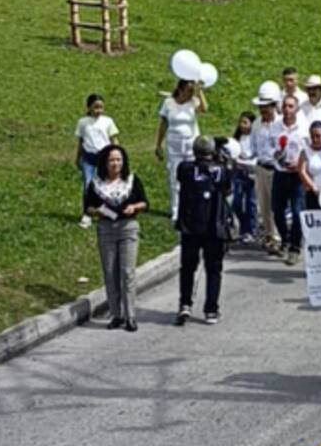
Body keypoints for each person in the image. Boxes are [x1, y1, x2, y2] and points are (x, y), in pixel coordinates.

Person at [84, 144, 148, 332]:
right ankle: (116, 314)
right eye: (112, 160)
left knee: (127, 272)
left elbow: (145, 202)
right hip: (106, 229)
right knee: (110, 273)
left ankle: (130, 316)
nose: (115, 164)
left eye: (118, 160)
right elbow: (87, 207)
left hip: (128, 227)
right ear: (105, 162)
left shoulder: (132, 180)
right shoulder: (96, 183)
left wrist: (134, 207)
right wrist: (97, 211)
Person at [174, 135, 231, 326]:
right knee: (213, 269)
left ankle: (185, 304)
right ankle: (211, 309)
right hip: (213, 226)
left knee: (188, 267)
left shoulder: (185, 168)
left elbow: (181, 177)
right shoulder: (222, 170)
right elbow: (227, 188)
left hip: (190, 226)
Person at [154, 79, 206, 222]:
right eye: (188, 90)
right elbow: (163, 124)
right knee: (174, 178)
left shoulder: (193, 102)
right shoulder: (168, 103)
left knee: (192, 177)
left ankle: (192, 208)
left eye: (192, 91)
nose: (190, 93)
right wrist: (158, 144)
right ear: (181, 89)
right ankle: (176, 209)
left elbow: (204, 108)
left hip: (191, 146)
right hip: (174, 146)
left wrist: (199, 91)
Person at [74, 93, 119, 229]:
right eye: (95, 107)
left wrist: (118, 156)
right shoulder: (83, 123)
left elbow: (113, 139)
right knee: (88, 185)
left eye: (101, 107)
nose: (98, 110)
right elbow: (81, 141)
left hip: (104, 159)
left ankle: (108, 212)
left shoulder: (108, 121)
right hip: (88, 158)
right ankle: (87, 214)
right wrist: (77, 158)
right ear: (89, 108)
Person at [272, 94, 308, 266]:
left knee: (296, 211)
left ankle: (295, 247)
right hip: (280, 172)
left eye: (291, 106)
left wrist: (299, 163)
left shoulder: (303, 127)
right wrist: (277, 155)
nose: (287, 110)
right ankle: (285, 239)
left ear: (297, 109)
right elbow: (271, 149)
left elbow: (309, 150)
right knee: (277, 210)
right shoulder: (275, 126)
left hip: (296, 175)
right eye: (285, 106)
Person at [250, 92, 281, 253]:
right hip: (261, 166)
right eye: (260, 107)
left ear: (274, 106)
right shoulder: (256, 124)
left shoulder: (281, 123)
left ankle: (279, 237)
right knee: (264, 204)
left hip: (277, 168)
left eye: (266, 107)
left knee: (277, 205)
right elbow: (253, 146)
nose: (263, 110)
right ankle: (270, 236)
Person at [231, 111, 258, 242]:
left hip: (252, 173)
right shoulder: (237, 139)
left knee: (250, 203)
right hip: (239, 172)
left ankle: (250, 230)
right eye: (240, 122)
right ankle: (243, 226)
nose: (242, 125)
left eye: (245, 122)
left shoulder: (255, 138)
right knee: (236, 202)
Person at [297, 120, 321, 209]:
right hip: (314, 193)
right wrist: (313, 187)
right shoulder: (306, 151)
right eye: (312, 136)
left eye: (318, 136)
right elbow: (301, 171)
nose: (315, 139)